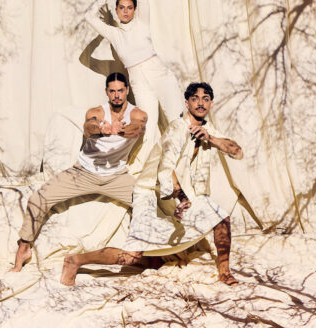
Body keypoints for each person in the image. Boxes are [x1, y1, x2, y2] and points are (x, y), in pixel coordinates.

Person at [61, 82, 243, 286]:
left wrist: (210, 137)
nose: (200, 103)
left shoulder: (207, 129)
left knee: (221, 218)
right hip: (150, 192)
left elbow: (237, 151)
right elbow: (167, 169)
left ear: (210, 103)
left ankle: (224, 272)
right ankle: (75, 260)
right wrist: (182, 199)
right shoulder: (177, 129)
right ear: (187, 103)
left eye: (205, 99)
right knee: (131, 257)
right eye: (195, 99)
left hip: (185, 195)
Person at [11, 72, 147, 272]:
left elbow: (136, 128)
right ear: (106, 92)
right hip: (83, 172)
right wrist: (102, 129)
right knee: (38, 199)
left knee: (147, 203)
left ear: (127, 90)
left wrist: (119, 130)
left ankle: (153, 255)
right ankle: (23, 249)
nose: (117, 95)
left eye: (120, 90)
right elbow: (88, 127)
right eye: (112, 91)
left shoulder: (137, 114)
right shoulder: (97, 112)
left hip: (116, 177)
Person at [84, 0, 184, 148]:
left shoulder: (142, 23)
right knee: (147, 129)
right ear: (115, 10)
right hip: (139, 82)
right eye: (121, 8)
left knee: (177, 121)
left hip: (160, 74)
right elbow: (88, 17)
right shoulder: (114, 34)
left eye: (130, 8)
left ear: (135, 10)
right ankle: (147, 172)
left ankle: (184, 167)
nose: (125, 11)